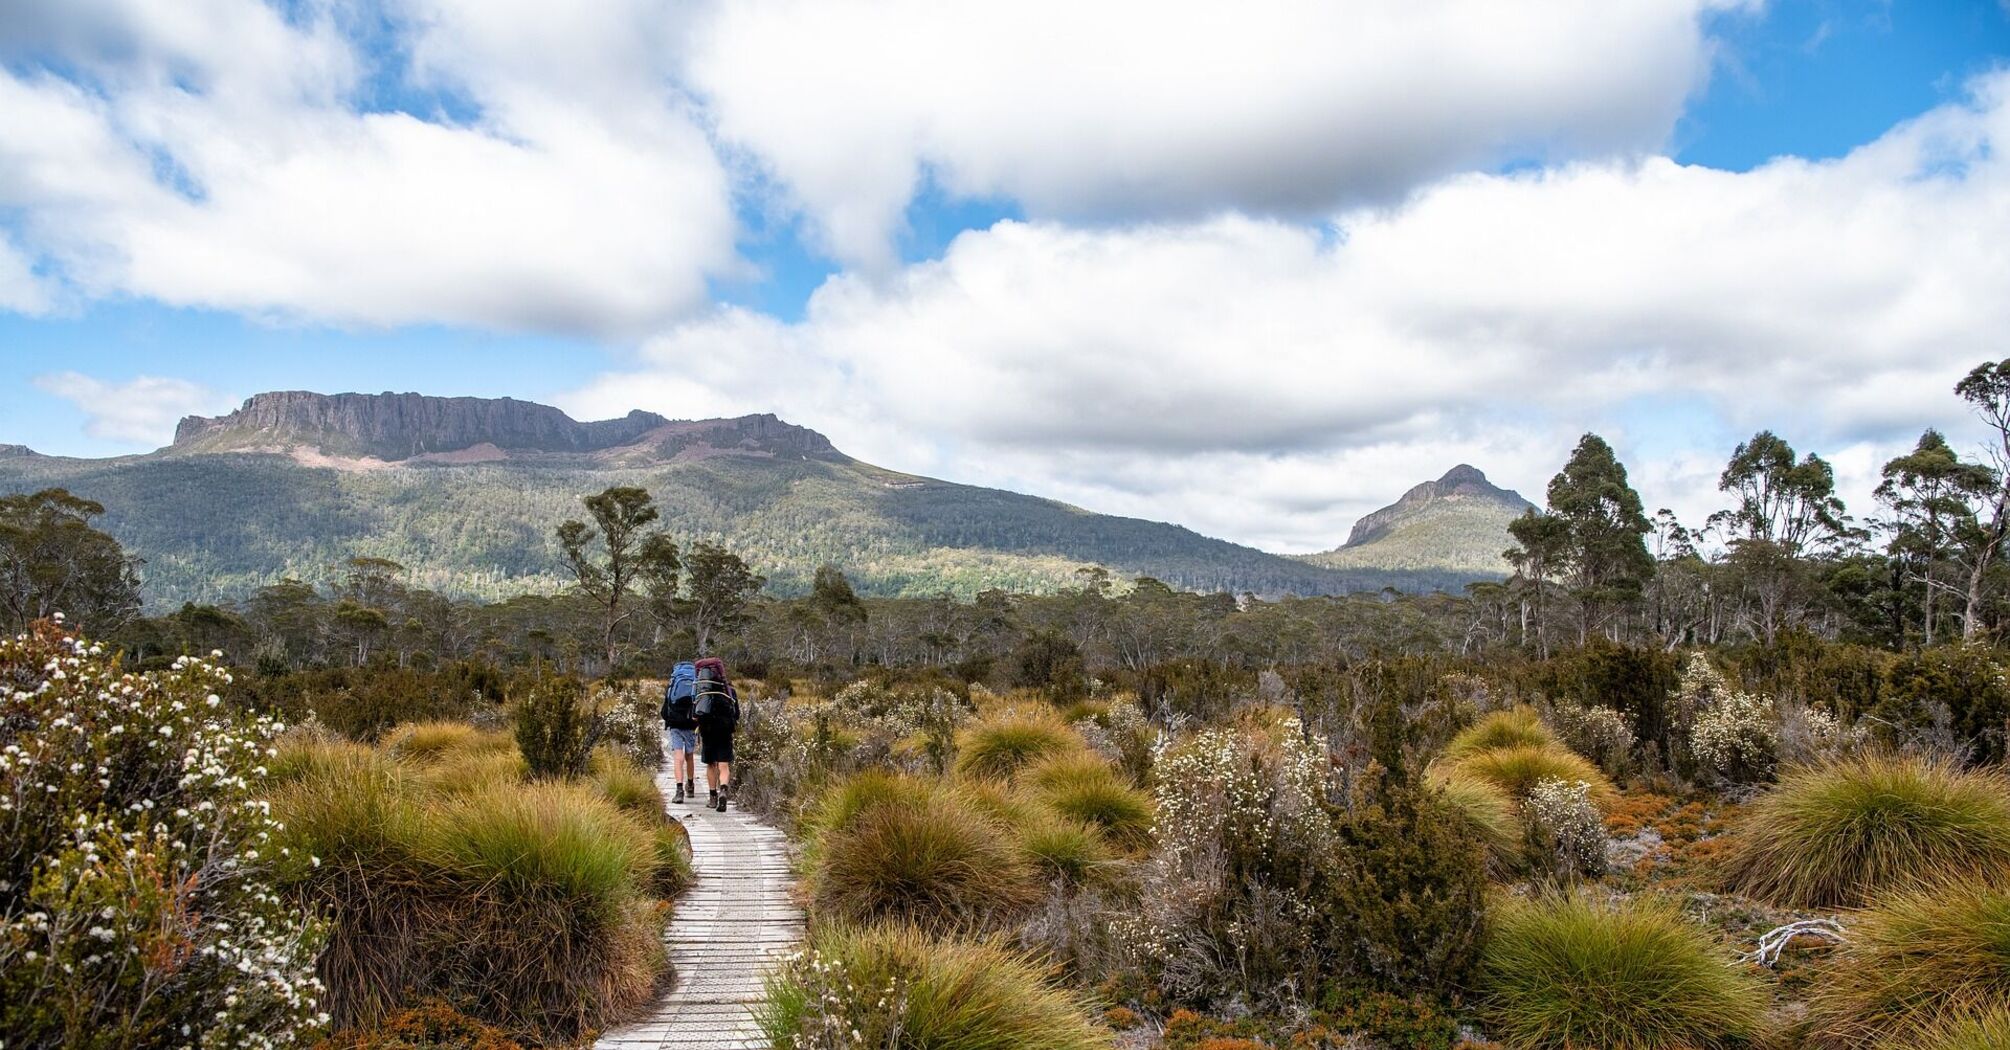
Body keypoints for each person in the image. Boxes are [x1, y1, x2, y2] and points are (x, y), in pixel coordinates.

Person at [692, 657, 740, 812]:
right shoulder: (729, 690)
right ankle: (724, 790)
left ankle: (713, 797)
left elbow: (694, 715)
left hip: (707, 731)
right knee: (723, 764)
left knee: (711, 764)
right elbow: (736, 714)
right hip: (725, 731)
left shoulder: (701, 692)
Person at [660, 660, 700, 804]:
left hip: (675, 724)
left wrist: (668, 720)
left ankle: (679, 790)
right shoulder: (695, 681)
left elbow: (664, 710)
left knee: (678, 756)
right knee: (689, 756)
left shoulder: (673, 682)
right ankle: (690, 785)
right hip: (691, 723)